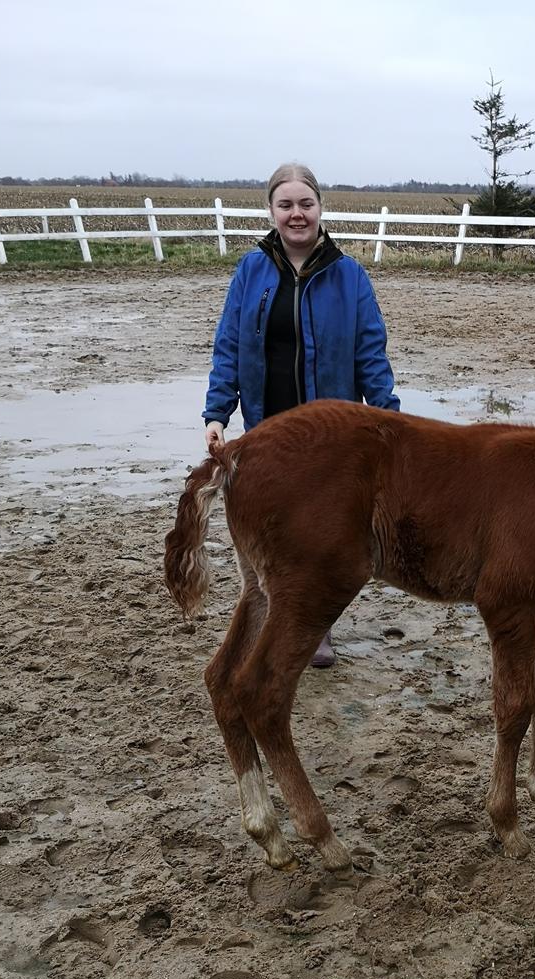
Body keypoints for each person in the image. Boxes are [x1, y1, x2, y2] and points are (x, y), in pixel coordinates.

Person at [202, 162, 400, 667]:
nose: (296, 214)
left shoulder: (349, 276)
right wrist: (218, 411)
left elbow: (371, 353)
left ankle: (317, 628)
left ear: (320, 209)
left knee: (324, 531)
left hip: (328, 433)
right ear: (271, 210)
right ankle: (276, 617)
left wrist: (391, 422)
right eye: (285, 204)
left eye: (305, 204)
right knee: (276, 526)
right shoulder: (251, 271)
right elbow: (228, 344)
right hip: (267, 426)